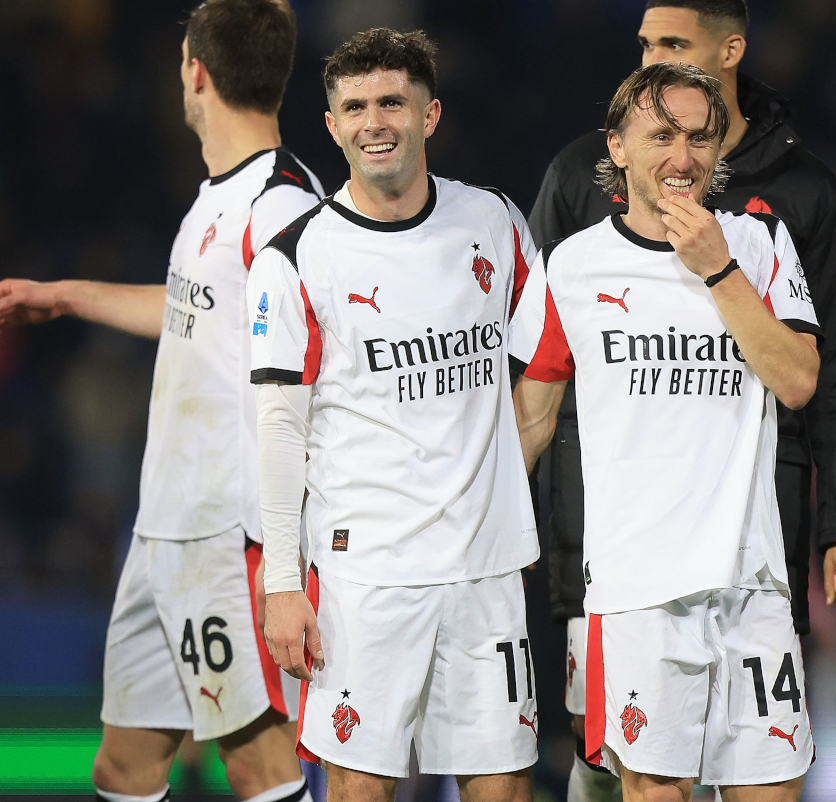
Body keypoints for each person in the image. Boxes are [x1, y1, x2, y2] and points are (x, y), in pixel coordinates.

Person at [527, 3, 836, 797]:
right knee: (644, 788)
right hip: (633, 589)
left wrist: (717, 269)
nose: (682, 155)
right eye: (662, 136)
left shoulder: (763, 239)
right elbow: (530, 414)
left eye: (698, 136)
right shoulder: (572, 266)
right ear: (618, 149)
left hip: (754, 577)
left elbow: (808, 378)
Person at [0, 3, 321, 802]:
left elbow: (307, 367)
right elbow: (196, 313)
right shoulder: (220, 196)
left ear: (194, 71)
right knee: (124, 766)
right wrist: (69, 297)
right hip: (163, 531)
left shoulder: (283, 205)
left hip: (224, 533)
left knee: (258, 765)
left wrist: (279, 554)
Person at [247, 28, 540, 802]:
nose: (374, 120)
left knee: (506, 787)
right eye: (355, 106)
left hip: (486, 569)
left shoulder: (498, 224)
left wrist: (505, 484)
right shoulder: (294, 257)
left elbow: (543, 372)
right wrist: (283, 585)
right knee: (358, 788)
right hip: (363, 577)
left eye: (392, 102)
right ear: (334, 124)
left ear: (430, 114)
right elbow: (277, 430)